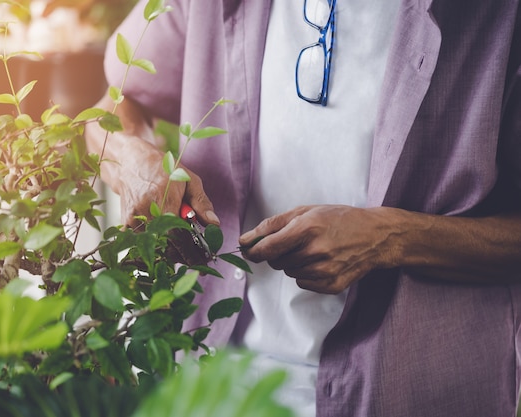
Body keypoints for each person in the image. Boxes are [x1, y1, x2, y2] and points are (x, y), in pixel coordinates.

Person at [85, 0, 521, 415]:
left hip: (413, 394)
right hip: (218, 383)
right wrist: (128, 158)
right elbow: (113, 106)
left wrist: (390, 237)